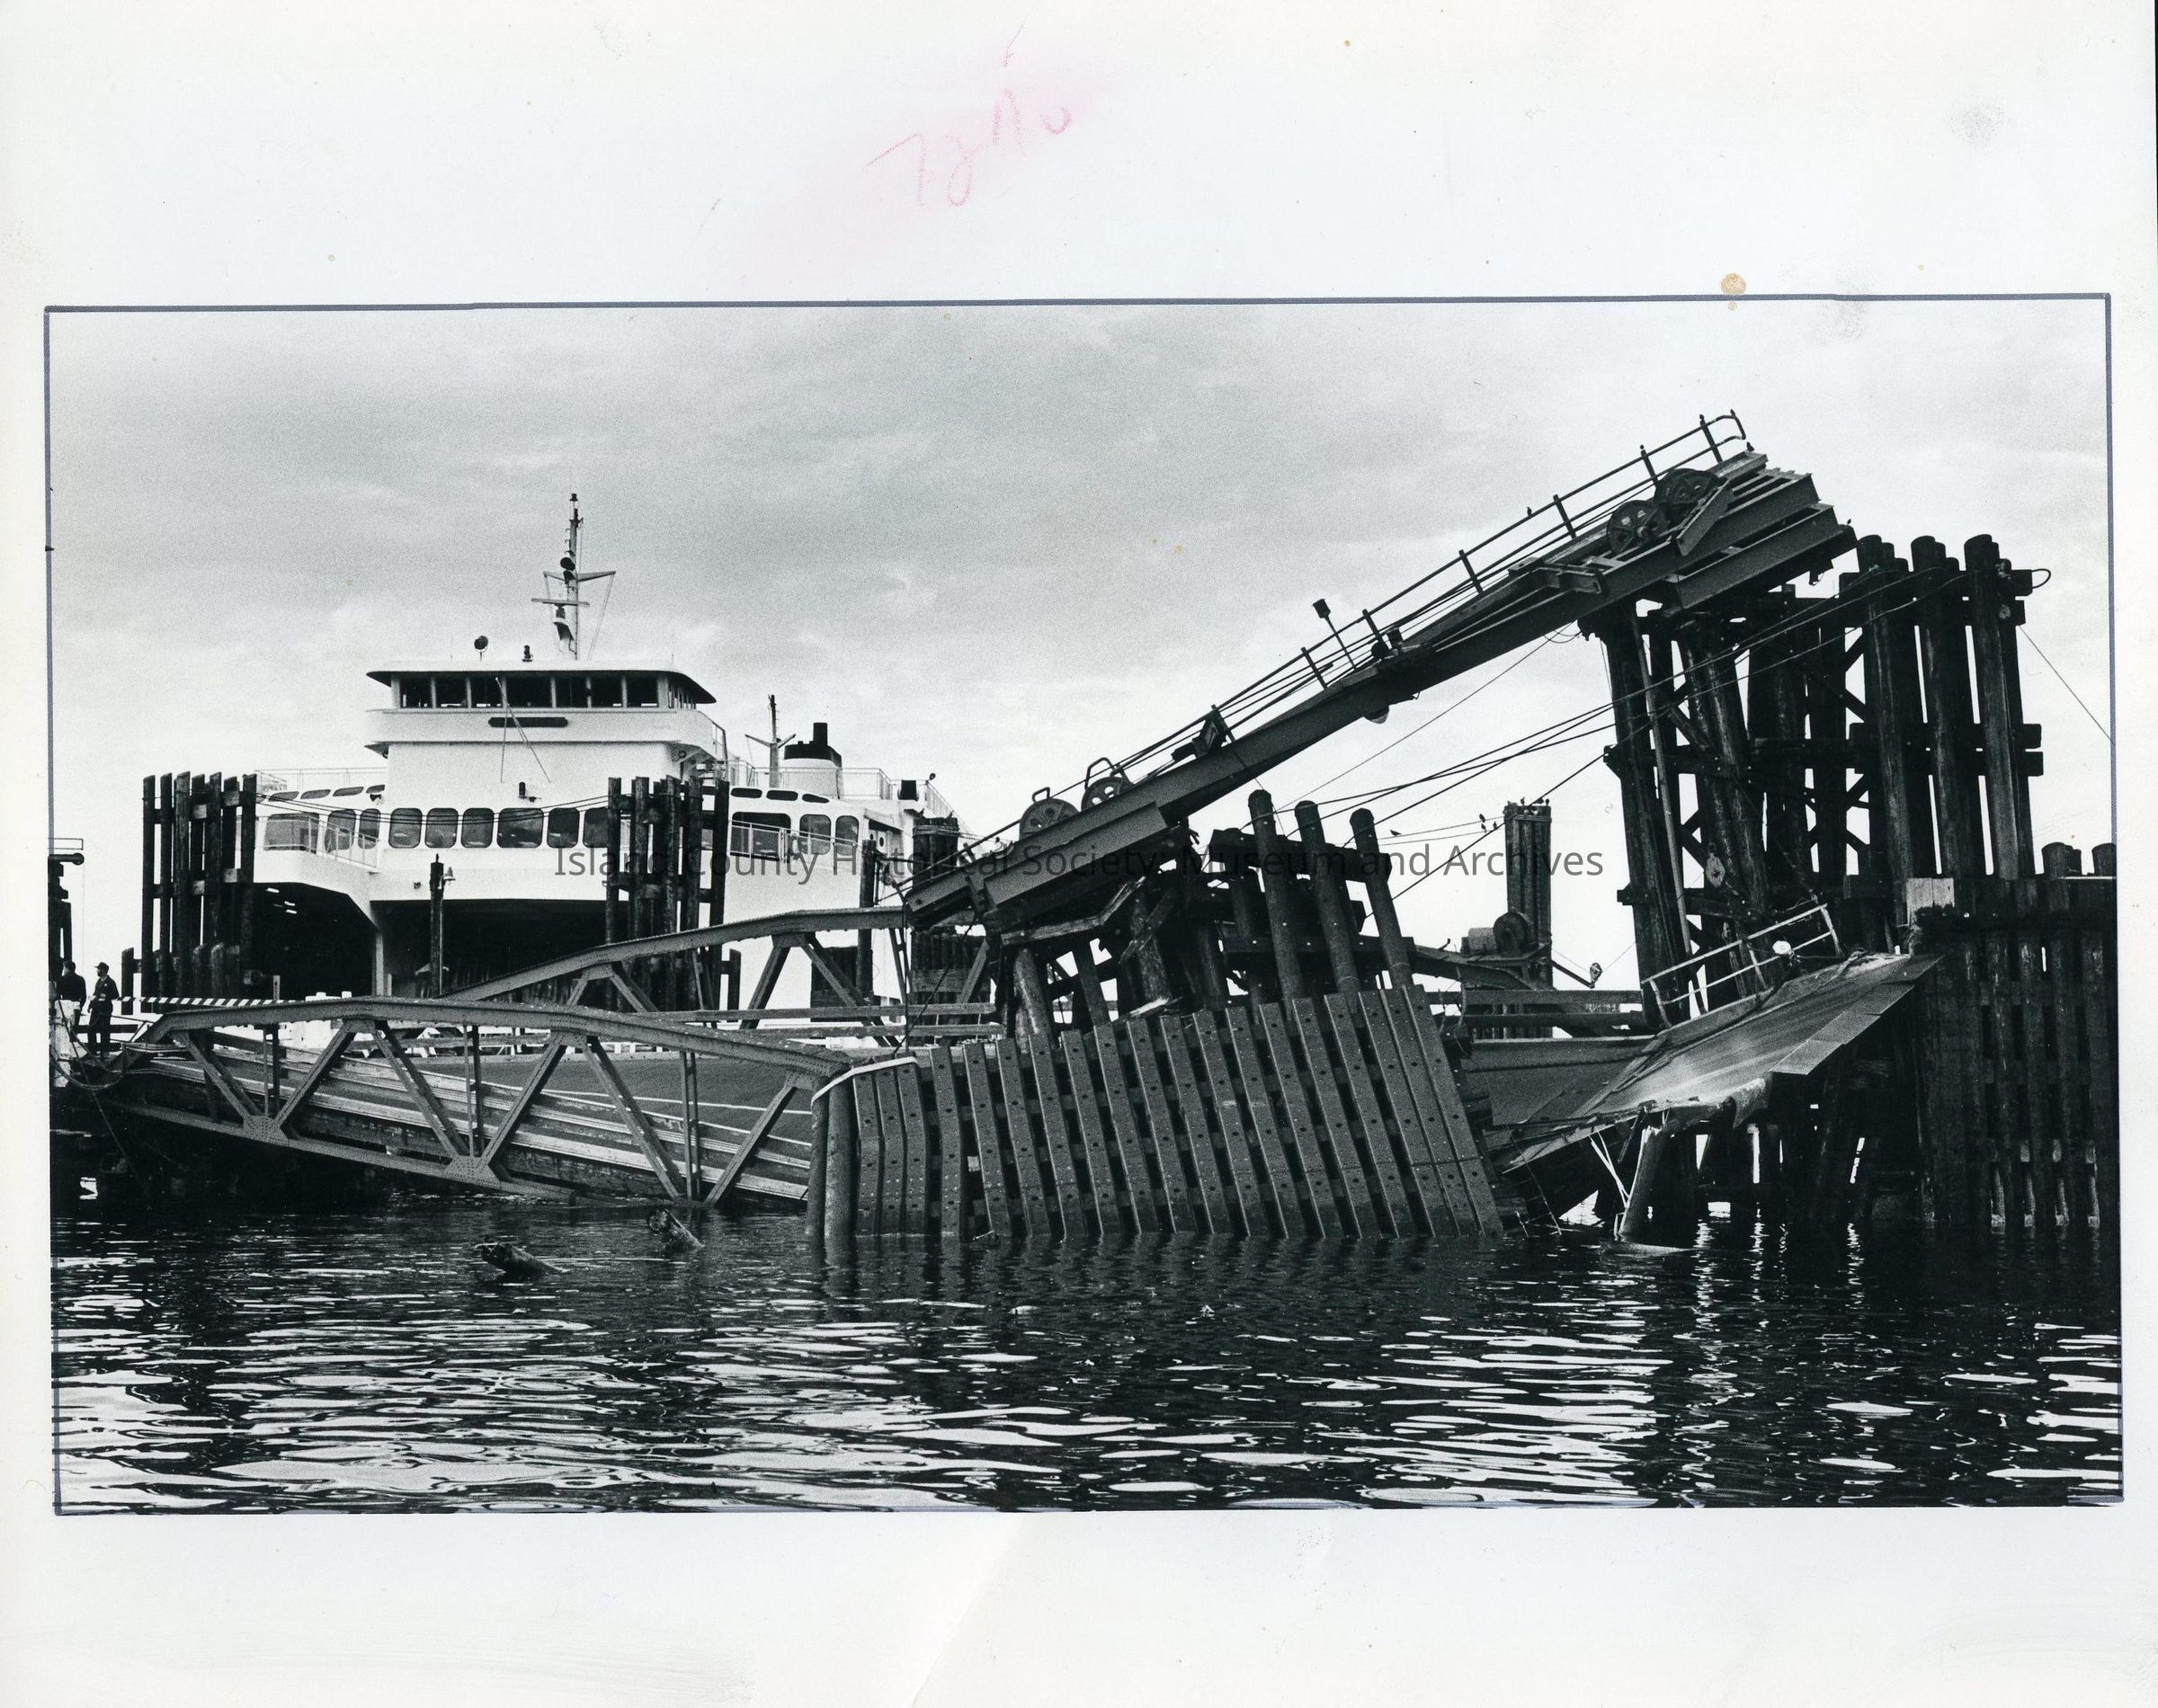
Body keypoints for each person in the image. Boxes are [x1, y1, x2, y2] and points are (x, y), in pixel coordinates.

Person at [88, 962, 119, 1059]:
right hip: (96, 1008)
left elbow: (116, 994)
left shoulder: (110, 982)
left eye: (98, 969)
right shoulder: (98, 981)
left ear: (104, 970)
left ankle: (104, 1052)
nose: (97, 971)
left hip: (105, 1008)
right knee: (91, 1028)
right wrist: (90, 1005)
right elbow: (95, 994)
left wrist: (106, 996)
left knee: (104, 1030)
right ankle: (92, 1051)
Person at [54, 959, 85, 1042]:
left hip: (65, 1006)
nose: (63, 970)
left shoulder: (61, 979)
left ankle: (65, 1046)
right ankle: (73, 1044)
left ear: (67, 969)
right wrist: (80, 1006)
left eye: (64, 968)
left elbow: (58, 995)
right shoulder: (81, 979)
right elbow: (84, 996)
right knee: (74, 1029)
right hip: (76, 1006)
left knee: (64, 1028)